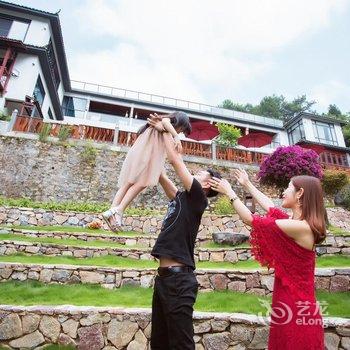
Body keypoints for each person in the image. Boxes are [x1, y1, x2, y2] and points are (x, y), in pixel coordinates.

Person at [209, 168, 326, 350]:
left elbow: (250, 219)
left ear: (300, 193)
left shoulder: (301, 227)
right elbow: (270, 206)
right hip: (291, 306)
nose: (283, 192)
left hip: (296, 311)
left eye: (288, 187)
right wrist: (247, 183)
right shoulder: (295, 223)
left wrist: (230, 192)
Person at [147, 116, 221, 350]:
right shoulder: (182, 198)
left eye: (201, 173)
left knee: (181, 345)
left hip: (179, 281)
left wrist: (168, 128)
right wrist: (156, 138)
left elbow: (175, 158)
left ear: (208, 185)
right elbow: (160, 174)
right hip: (164, 279)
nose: (196, 173)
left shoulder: (198, 197)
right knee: (159, 343)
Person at [102, 111, 191, 231]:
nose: (180, 132)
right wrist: (175, 136)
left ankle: (112, 213)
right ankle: (119, 210)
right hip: (147, 155)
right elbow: (165, 122)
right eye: (181, 129)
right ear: (179, 122)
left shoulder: (161, 127)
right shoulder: (163, 122)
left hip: (139, 153)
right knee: (143, 182)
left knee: (128, 183)